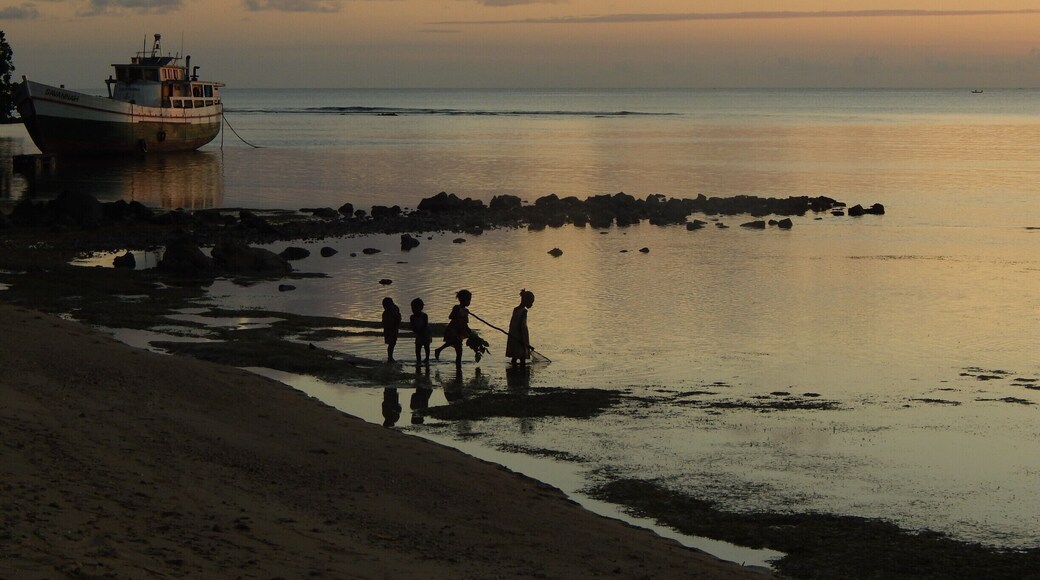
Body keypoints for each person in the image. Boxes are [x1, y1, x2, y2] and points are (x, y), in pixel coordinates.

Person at [434, 289, 472, 366]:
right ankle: (439, 349)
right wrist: (459, 315)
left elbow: (465, 322)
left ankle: (458, 366)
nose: (469, 302)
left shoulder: (466, 310)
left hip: (460, 331)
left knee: (459, 351)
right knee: (454, 340)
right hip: (453, 329)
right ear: (463, 300)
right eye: (468, 300)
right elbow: (450, 316)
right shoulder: (457, 308)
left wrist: (468, 330)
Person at [506, 289, 535, 367]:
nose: (531, 305)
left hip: (513, 337)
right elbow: (522, 327)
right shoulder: (524, 311)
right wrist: (525, 342)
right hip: (520, 338)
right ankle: (522, 373)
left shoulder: (515, 309)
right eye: (531, 302)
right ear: (526, 301)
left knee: (514, 357)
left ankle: (513, 372)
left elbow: (512, 325)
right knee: (522, 358)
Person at [409, 297, 433, 365]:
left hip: (426, 333)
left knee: (426, 347)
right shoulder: (412, 317)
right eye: (412, 308)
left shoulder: (424, 315)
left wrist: (420, 331)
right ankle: (418, 360)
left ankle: (427, 358)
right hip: (418, 333)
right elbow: (412, 326)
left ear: (421, 308)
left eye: (415, 308)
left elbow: (425, 325)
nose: (413, 310)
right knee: (417, 348)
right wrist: (415, 331)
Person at [381, 297, 401, 363]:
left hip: (393, 329)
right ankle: (390, 357)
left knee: (392, 343)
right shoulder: (385, 313)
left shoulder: (395, 309)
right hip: (389, 330)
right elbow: (385, 323)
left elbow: (398, 318)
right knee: (391, 344)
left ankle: (390, 357)